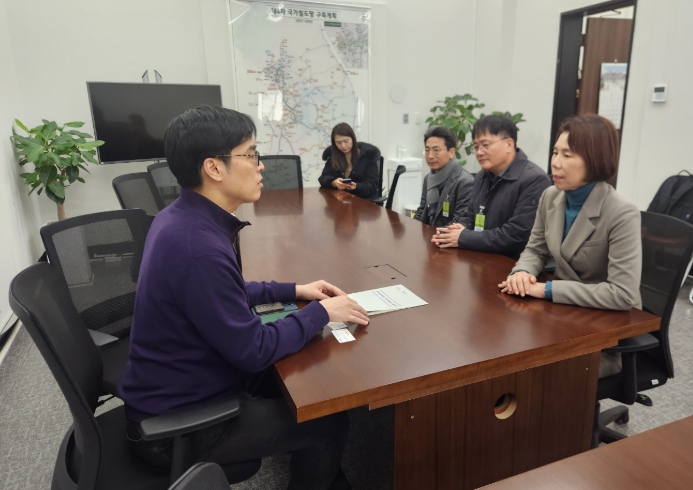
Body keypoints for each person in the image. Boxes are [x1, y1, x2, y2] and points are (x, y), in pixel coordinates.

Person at [118, 106, 369, 490]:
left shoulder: (181, 218)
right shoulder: (197, 246)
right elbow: (252, 349)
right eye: (250, 155)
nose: (260, 165)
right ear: (214, 168)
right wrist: (320, 313)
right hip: (178, 425)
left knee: (303, 378)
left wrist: (294, 290)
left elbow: (225, 291)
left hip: (183, 384)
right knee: (327, 423)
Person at [499, 114, 642, 377]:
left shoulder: (622, 213)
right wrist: (522, 271)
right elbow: (536, 249)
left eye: (568, 155)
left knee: (530, 373)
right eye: (555, 152)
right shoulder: (550, 196)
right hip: (560, 319)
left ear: (595, 160)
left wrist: (547, 289)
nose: (555, 162)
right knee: (503, 348)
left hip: (603, 335)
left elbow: (623, 294)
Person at [431, 115, 552, 259]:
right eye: (476, 147)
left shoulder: (534, 180)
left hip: (513, 263)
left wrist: (463, 237)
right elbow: (470, 215)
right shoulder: (482, 176)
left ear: (509, 144)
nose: (479, 152)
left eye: (485, 145)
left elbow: (516, 235)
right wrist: (458, 228)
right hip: (479, 256)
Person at [413, 126, 474, 227]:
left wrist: (433, 235)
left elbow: (458, 222)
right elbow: (421, 211)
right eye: (427, 150)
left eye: (436, 150)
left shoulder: (465, 181)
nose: (430, 156)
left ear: (451, 152)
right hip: (428, 233)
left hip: (445, 235)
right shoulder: (428, 178)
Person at [318, 122, 381, 199]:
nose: (343, 146)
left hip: (363, 200)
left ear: (353, 139)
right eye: (338, 143)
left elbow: (373, 185)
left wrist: (357, 186)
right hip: (341, 199)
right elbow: (323, 177)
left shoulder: (367, 155)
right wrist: (333, 182)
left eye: (346, 141)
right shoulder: (333, 155)